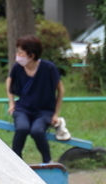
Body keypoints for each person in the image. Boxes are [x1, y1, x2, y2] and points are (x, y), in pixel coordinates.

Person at [6, 35, 64, 164]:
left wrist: (55, 114)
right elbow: (9, 81)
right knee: (22, 128)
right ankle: (16, 161)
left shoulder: (48, 68)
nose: (18, 55)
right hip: (23, 108)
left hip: (44, 110)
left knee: (37, 131)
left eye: (21, 53)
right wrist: (11, 103)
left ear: (31, 56)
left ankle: (47, 161)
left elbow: (60, 89)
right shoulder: (18, 68)